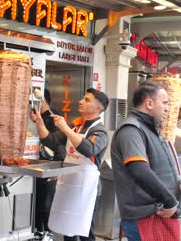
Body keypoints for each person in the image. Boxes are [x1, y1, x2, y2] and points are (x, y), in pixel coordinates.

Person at [31, 88, 109, 241]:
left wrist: (65, 128)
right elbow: (49, 140)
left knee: (86, 234)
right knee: (68, 230)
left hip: (88, 189)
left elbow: (89, 149)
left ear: (98, 108)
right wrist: (39, 121)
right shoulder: (76, 127)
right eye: (82, 98)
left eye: (87, 100)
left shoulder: (100, 132)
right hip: (70, 186)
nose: (80, 102)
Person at [111, 81, 180, 241]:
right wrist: (169, 200)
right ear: (149, 103)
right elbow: (139, 169)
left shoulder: (150, 130)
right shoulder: (131, 130)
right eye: (164, 103)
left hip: (158, 213)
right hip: (145, 216)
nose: (167, 108)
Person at [34, 89, 66, 241]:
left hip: (51, 167)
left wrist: (58, 168)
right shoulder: (37, 117)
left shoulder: (54, 117)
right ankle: (38, 231)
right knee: (38, 200)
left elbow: (59, 145)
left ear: (42, 101)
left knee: (46, 203)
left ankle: (48, 232)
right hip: (39, 165)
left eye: (33, 102)